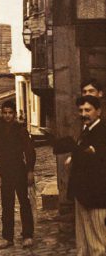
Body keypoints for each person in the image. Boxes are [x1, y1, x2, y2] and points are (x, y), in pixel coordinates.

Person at [0, 100, 36, 250]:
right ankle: (7, 237)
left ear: (15, 114)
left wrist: (30, 170)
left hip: (20, 171)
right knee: (7, 205)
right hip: (5, 172)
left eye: (10, 113)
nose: (7, 115)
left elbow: (29, 151)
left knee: (24, 202)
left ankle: (28, 235)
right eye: (5, 113)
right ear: (2, 114)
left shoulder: (20, 130)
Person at [67, 96, 106, 256]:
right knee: (83, 244)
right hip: (82, 193)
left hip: (96, 196)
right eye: (81, 110)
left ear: (98, 111)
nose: (83, 113)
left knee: (98, 245)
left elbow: (97, 160)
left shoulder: (102, 132)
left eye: (88, 110)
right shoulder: (86, 131)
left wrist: (77, 156)